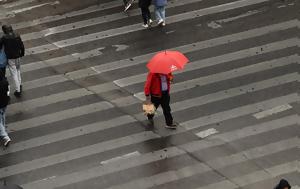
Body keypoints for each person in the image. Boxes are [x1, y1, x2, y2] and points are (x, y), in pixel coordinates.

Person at [0, 25, 25, 98]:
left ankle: (18, 90)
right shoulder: (17, 35)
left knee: (14, 74)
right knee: (18, 71)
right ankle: (20, 85)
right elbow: (22, 45)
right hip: (18, 56)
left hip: (10, 58)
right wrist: (22, 53)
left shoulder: (4, 38)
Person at [0, 76, 11, 147]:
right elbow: (8, 91)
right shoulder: (5, 81)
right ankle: (3, 129)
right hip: (5, 103)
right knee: (2, 116)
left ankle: (5, 137)